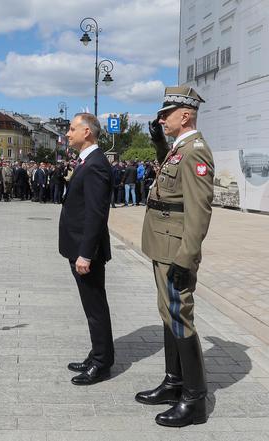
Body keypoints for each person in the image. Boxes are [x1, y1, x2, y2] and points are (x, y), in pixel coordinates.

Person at [136, 86, 213, 428]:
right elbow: (170, 184)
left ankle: (194, 399)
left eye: (165, 114)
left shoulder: (195, 151)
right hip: (163, 245)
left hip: (175, 250)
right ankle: (174, 382)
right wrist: (158, 145)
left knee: (179, 315)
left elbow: (199, 212)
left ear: (185, 115)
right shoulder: (179, 149)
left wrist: (187, 258)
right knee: (168, 313)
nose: (161, 119)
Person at [58, 113, 114, 386]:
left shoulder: (95, 164)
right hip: (79, 245)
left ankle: (102, 363)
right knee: (91, 306)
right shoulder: (86, 161)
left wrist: (86, 254)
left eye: (72, 129)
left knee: (95, 307)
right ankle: (97, 354)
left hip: (85, 250)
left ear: (87, 132)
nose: (68, 134)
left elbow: (96, 213)